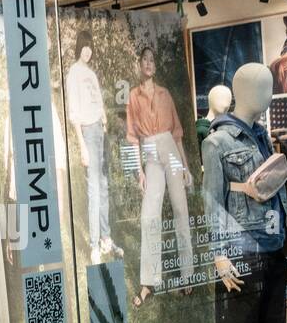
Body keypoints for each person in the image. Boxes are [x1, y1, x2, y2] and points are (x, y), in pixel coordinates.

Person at [125, 45, 194, 307]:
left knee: (180, 209)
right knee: (149, 215)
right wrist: (139, 170)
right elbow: (132, 138)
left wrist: (186, 167)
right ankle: (148, 282)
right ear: (139, 64)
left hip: (170, 149)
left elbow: (177, 133)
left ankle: (188, 276)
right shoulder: (133, 96)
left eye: (152, 60)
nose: (149, 63)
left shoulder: (165, 94)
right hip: (150, 152)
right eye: (144, 59)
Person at [64, 29, 121, 264]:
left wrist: (105, 122)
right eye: (84, 46)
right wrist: (83, 146)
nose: (87, 51)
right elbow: (74, 113)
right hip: (87, 132)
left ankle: (106, 237)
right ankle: (94, 244)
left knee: (104, 186)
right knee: (94, 190)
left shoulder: (91, 73)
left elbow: (98, 102)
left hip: (100, 130)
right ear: (79, 48)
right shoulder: (73, 73)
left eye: (90, 47)